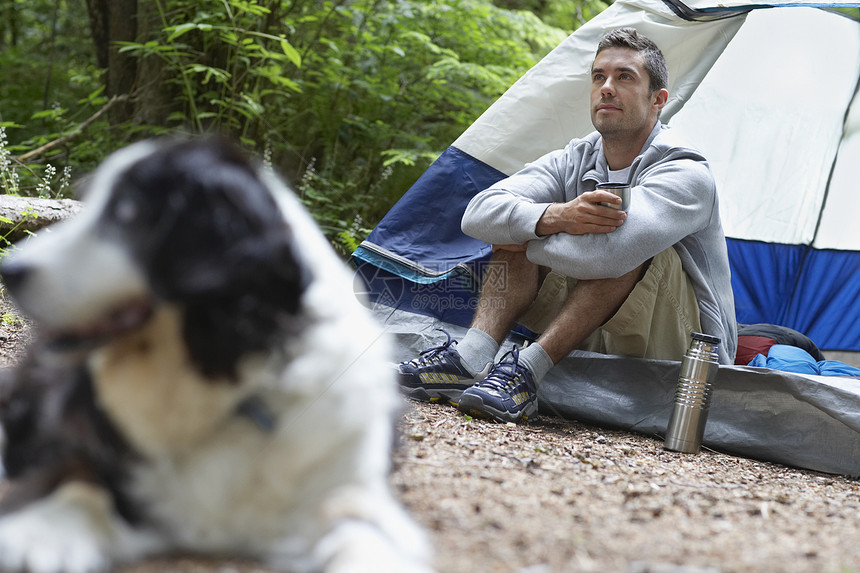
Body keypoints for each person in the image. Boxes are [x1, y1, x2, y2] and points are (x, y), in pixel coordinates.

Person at [396, 27, 737, 424]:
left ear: (658, 100)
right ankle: (469, 359)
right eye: (599, 77)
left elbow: (611, 257)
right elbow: (479, 212)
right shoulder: (575, 157)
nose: (607, 88)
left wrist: (528, 236)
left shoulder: (686, 171)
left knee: (618, 238)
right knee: (524, 218)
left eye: (624, 77)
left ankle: (525, 373)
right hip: (596, 321)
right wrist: (553, 217)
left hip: (683, 346)